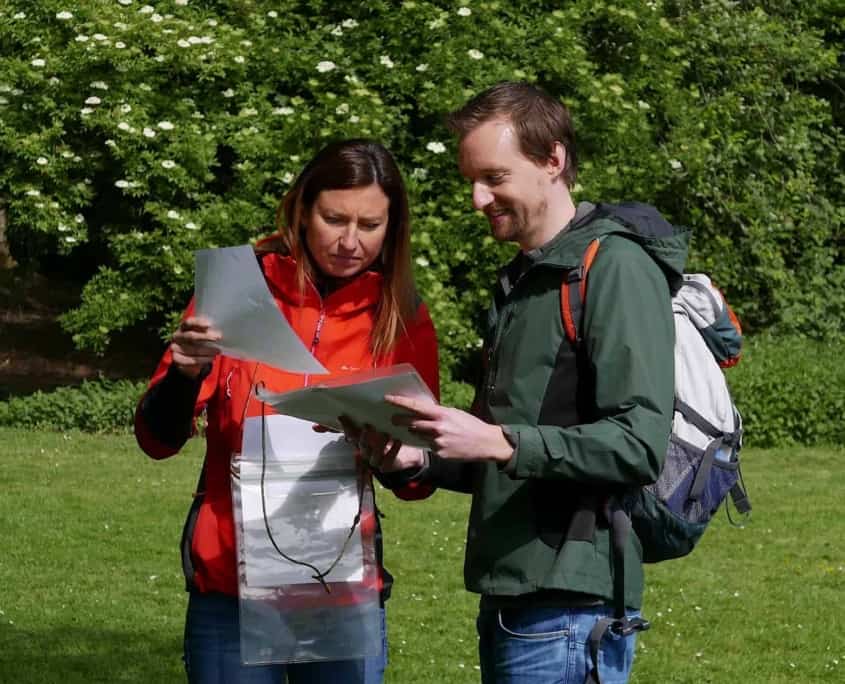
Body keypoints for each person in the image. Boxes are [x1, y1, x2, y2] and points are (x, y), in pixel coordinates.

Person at [354, 82, 688, 683]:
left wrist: (500, 442)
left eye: (495, 177)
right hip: (516, 595)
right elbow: (504, 448)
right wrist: (415, 458)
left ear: (553, 160)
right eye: (471, 181)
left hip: (570, 606)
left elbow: (639, 444)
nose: (478, 198)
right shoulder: (525, 282)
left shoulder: (613, 267)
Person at [134, 139, 440, 684]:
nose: (350, 242)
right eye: (333, 219)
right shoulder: (238, 289)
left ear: (393, 228)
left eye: (370, 226)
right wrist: (186, 373)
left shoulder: (402, 315)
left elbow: (421, 478)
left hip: (341, 587)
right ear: (301, 210)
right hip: (230, 588)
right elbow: (157, 440)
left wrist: (402, 459)